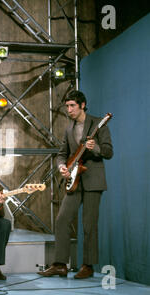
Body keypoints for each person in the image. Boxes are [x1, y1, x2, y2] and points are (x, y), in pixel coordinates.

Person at [38, 90, 113, 279]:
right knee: (62, 219)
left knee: (89, 225)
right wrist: (62, 166)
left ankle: (88, 266)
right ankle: (60, 264)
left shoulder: (98, 124)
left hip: (93, 181)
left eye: (72, 105)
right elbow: (62, 153)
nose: (69, 110)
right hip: (74, 180)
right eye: (67, 106)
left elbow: (108, 151)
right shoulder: (69, 128)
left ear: (82, 105)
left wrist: (94, 147)